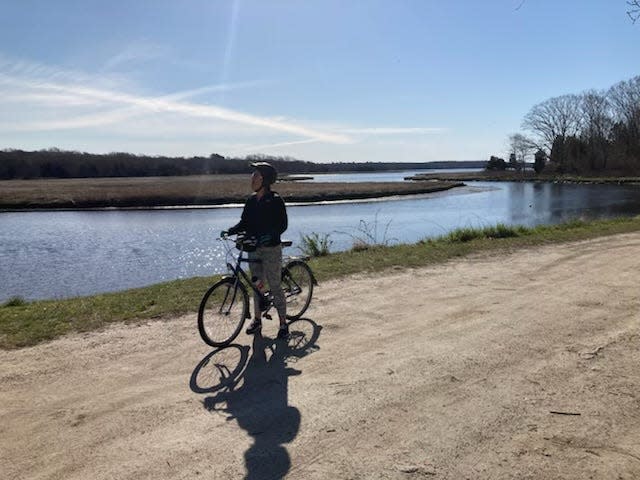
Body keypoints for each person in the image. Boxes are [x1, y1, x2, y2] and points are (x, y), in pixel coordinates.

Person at [222, 162, 289, 339]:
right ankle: (257, 320)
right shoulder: (251, 201)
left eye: (256, 175)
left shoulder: (275, 200)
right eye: (252, 175)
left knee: (274, 285)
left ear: (265, 180)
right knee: (257, 285)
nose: (252, 178)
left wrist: (270, 235)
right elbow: (245, 222)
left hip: (271, 249)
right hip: (254, 248)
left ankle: (283, 323)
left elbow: (282, 225)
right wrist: (231, 230)